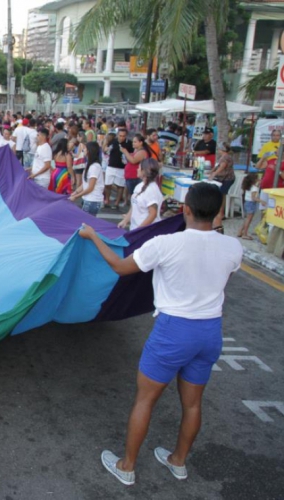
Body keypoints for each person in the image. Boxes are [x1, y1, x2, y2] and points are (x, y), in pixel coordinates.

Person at [78, 182, 243, 487]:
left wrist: (93, 237)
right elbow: (222, 280)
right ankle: (178, 461)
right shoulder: (233, 247)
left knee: (146, 400)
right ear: (218, 212)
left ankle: (127, 466)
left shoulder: (166, 244)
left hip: (174, 331)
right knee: (193, 404)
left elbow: (119, 266)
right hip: (209, 331)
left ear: (185, 209)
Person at [119, 158, 163, 230]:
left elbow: (153, 214)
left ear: (144, 171)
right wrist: (125, 220)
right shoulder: (139, 186)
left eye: (139, 167)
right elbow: (134, 205)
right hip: (135, 229)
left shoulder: (151, 190)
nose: (137, 169)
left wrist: (139, 230)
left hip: (146, 233)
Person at [207, 142, 237, 232]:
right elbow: (217, 166)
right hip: (224, 178)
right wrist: (211, 171)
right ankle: (220, 212)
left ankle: (220, 213)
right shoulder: (223, 157)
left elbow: (222, 167)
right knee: (220, 194)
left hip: (227, 179)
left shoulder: (226, 157)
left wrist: (214, 174)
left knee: (221, 194)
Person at [70, 141, 104, 215]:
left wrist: (76, 196)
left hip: (92, 200)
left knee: (86, 225)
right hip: (89, 200)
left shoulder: (94, 167)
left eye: (84, 149)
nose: (83, 151)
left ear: (89, 151)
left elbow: (90, 187)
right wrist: (75, 192)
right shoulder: (89, 165)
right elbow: (85, 183)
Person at [121, 134, 154, 201]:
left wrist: (125, 152)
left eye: (135, 142)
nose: (133, 143)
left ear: (141, 142)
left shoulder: (142, 152)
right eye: (133, 141)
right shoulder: (136, 151)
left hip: (135, 177)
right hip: (131, 177)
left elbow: (133, 161)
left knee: (135, 196)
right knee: (133, 195)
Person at [104, 128, 132, 210]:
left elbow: (131, 154)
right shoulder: (113, 141)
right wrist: (106, 147)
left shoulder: (129, 143)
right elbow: (105, 150)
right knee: (107, 184)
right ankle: (107, 200)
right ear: (117, 135)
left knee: (120, 185)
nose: (122, 137)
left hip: (122, 167)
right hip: (111, 165)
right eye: (120, 136)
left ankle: (116, 203)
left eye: (123, 136)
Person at [237, 172, 260, 240]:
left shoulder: (248, 187)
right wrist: (262, 201)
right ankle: (245, 233)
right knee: (249, 219)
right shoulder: (254, 188)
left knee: (247, 218)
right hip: (251, 203)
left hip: (247, 202)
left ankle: (240, 231)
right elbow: (254, 198)